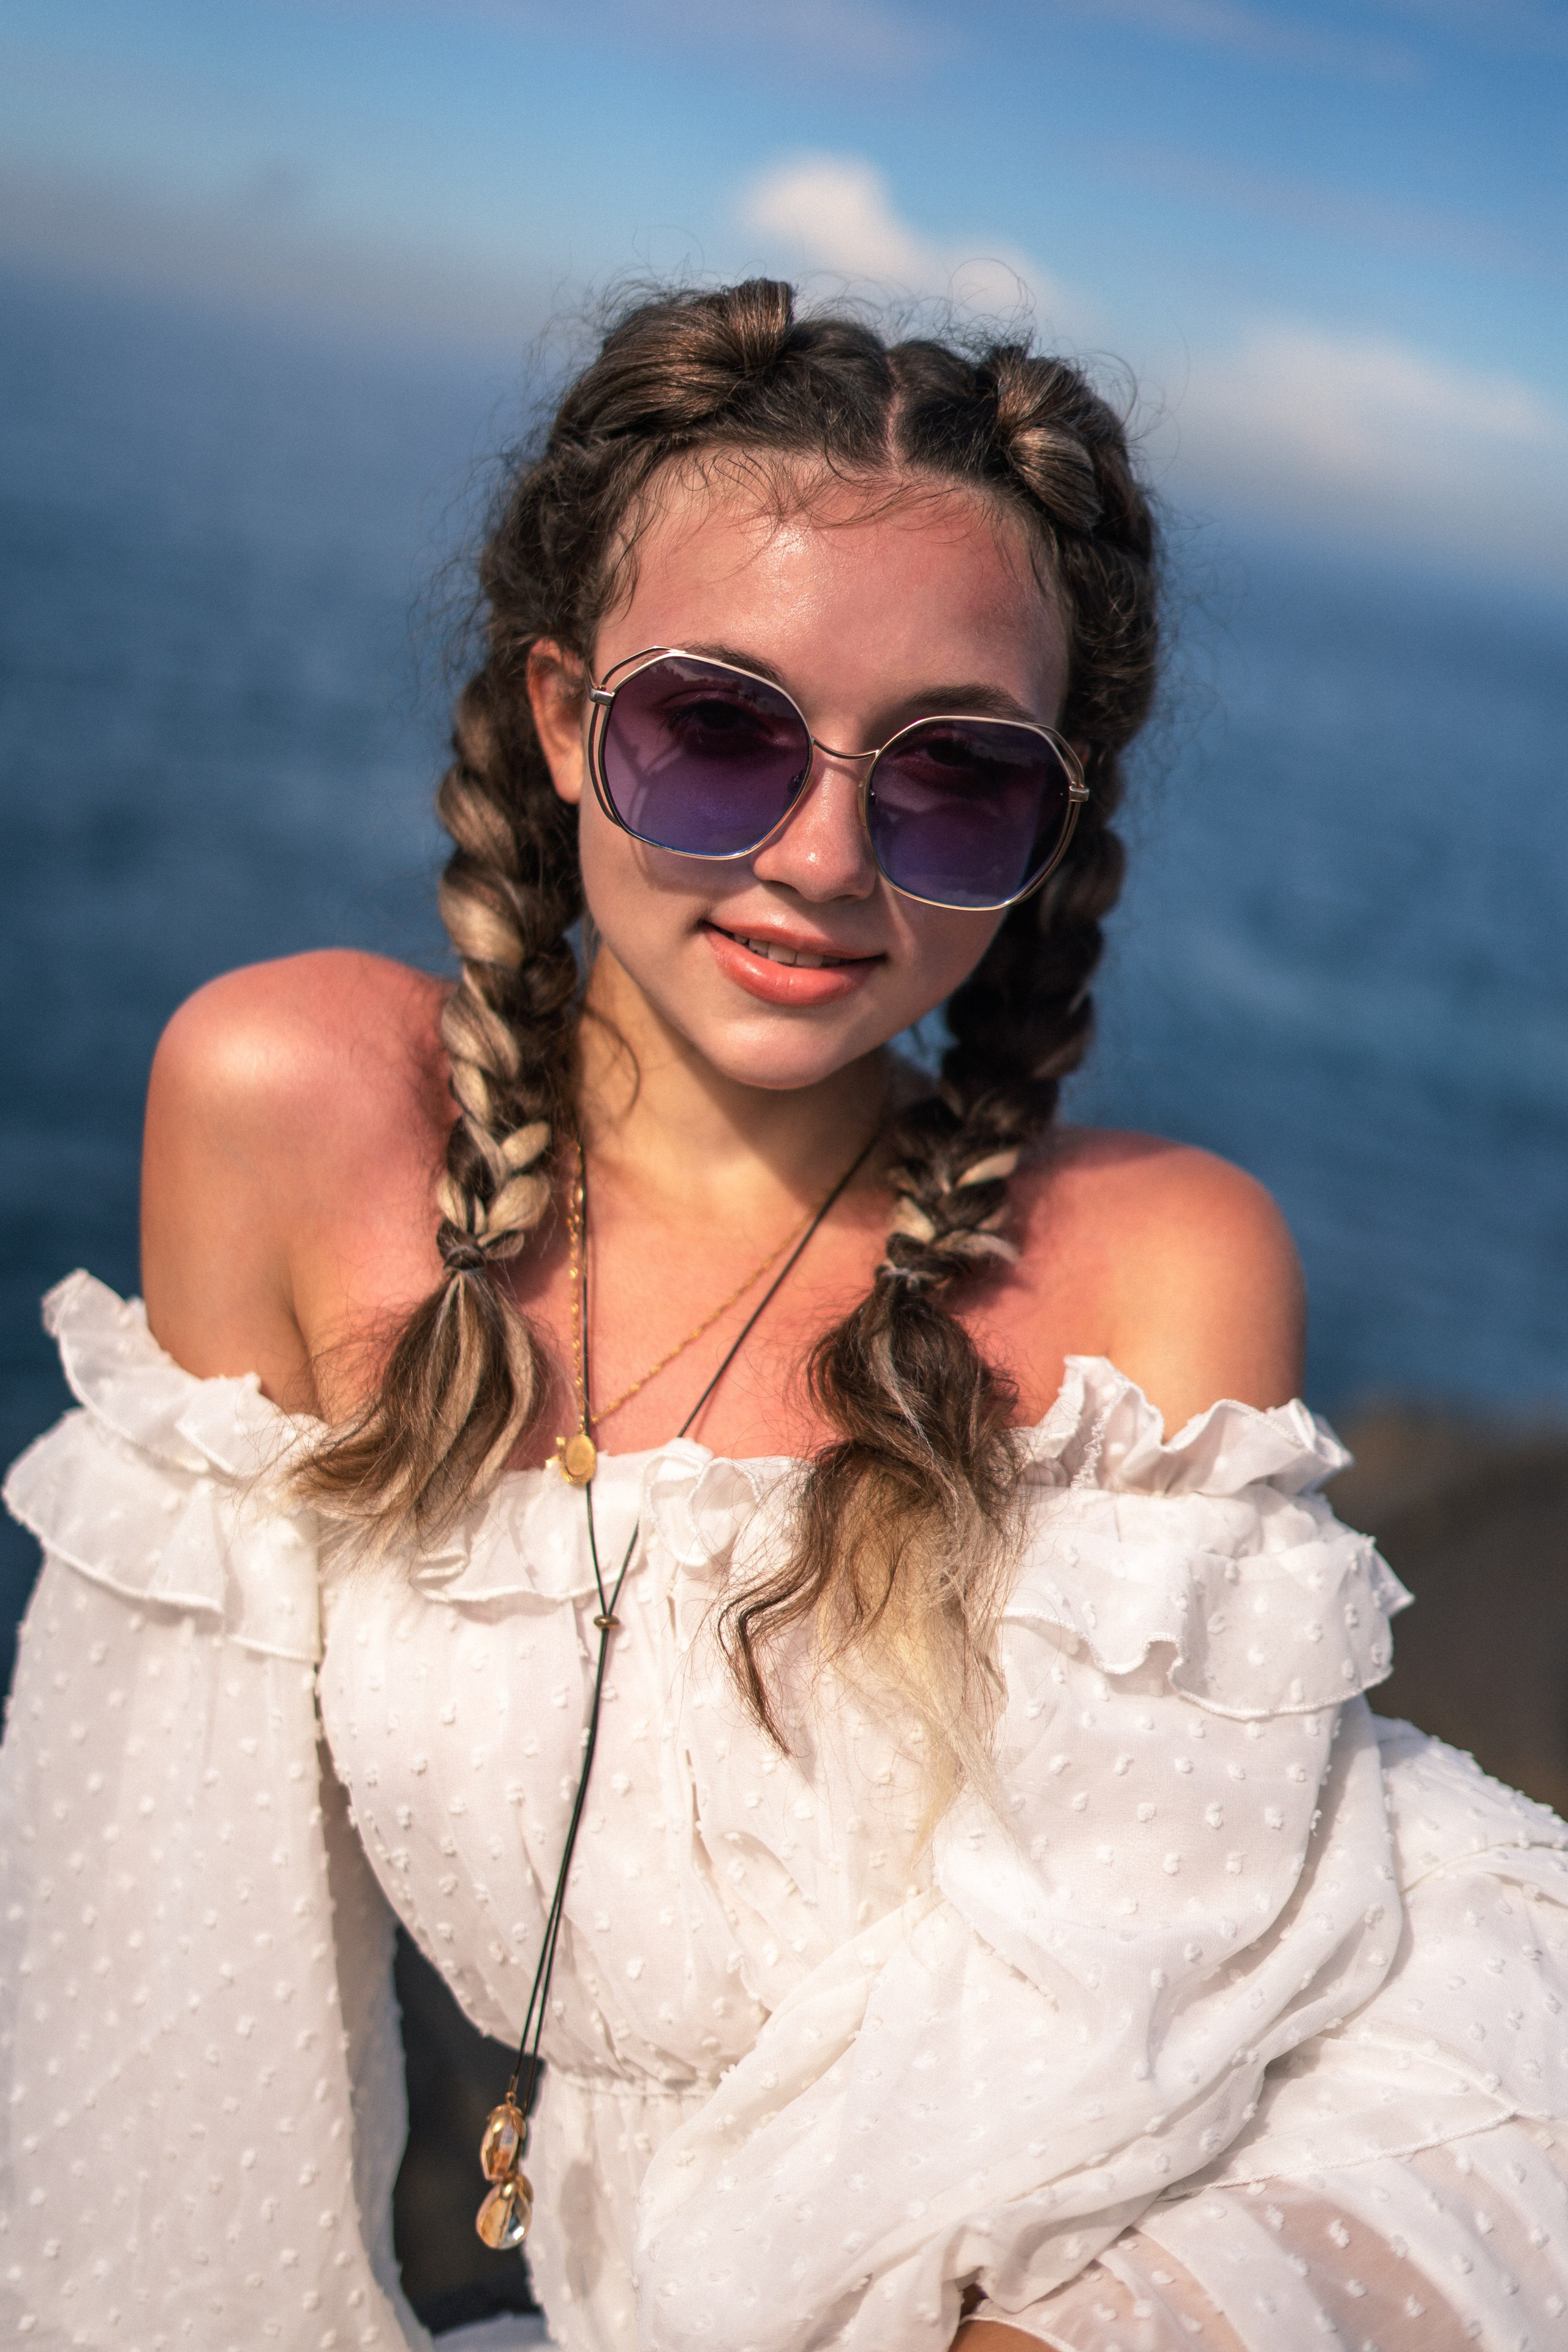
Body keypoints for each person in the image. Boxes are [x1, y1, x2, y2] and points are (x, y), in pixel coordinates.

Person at [6, 281, 1568, 2352]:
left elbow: (1123, 2037)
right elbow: (167, 1994)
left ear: (1052, 825)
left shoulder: (1161, 1269)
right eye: (717, 730)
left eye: (955, 778)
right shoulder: (284, 1103)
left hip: (1228, 2204)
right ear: (562, 717)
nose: (823, 859)